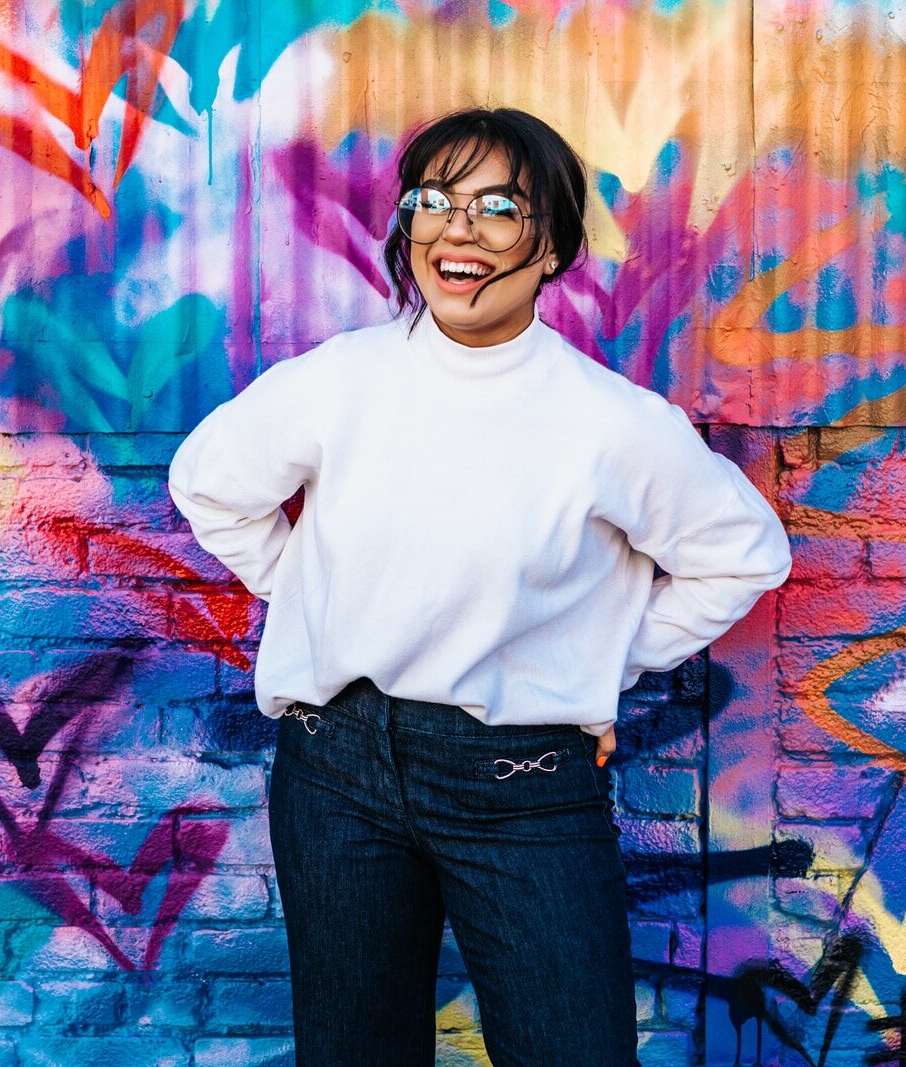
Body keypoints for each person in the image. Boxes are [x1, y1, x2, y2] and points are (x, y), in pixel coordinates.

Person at [167, 107, 792, 1067]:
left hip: (523, 786)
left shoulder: (608, 422)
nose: (458, 231)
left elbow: (744, 553)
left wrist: (606, 659)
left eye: (499, 208)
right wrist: (308, 594)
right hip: (335, 774)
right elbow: (211, 484)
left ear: (552, 248)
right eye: (434, 202)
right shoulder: (342, 381)